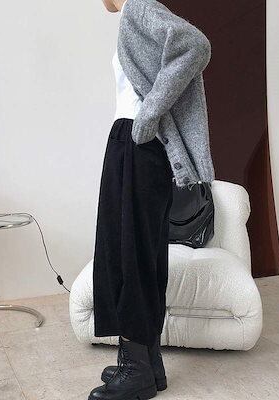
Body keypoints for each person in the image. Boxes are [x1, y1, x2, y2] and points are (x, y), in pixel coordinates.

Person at [90, 0, 215, 399]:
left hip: (139, 143)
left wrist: (148, 115)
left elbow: (195, 44)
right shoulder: (134, 15)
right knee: (133, 252)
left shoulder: (138, 7)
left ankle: (137, 370)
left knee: (132, 255)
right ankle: (146, 361)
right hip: (130, 142)